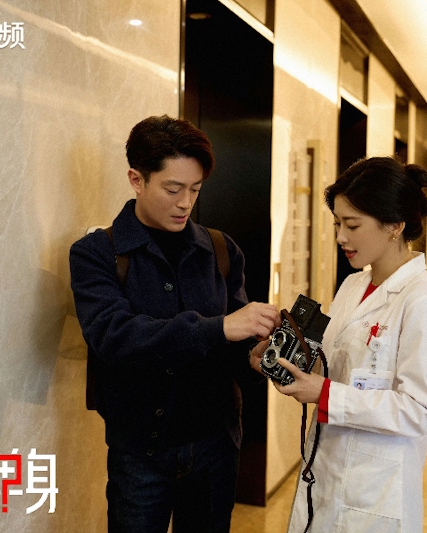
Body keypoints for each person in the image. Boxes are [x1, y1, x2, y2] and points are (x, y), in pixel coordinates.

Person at [70, 115, 281, 533]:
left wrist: (255, 357)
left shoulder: (221, 249)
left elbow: (235, 345)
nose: (186, 202)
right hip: (140, 453)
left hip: (215, 447)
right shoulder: (97, 253)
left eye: (195, 189)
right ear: (137, 179)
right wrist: (219, 327)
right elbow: (114, 336)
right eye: (173, 189)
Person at [251, 156, 427, 533]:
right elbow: (333, 366)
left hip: (376, 490)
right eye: (337, 224)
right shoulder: (353, 285)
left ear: (394, 225)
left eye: (352, 225)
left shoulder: (424, 303)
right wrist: (288, 361)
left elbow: (421, 410)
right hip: (326, 467)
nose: (340, 237)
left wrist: (325, 395)